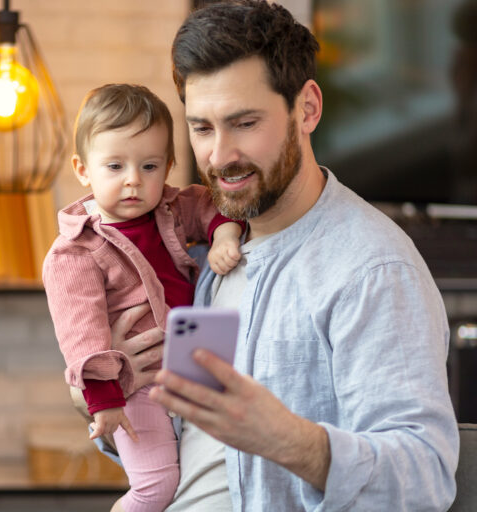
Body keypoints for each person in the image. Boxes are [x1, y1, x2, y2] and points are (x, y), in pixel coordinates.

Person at [104, 1, 460, 510]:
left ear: (307, 109)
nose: (220, 156)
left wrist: (287, 440)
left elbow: (424, 476)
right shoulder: (204, 254)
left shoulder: (371, 268)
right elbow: (196, 451)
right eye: (202, 128)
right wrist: (111, 397)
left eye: (244, 122)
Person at [42, 83, 244, 512]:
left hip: (186, 375)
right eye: (114, 166)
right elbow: (83, 335)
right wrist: (104, 401)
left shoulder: (169, 209)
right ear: (83, 169)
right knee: (155, 488)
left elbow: (210, 203)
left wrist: (224, 232)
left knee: (185, 474)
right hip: (132, 389)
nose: (134, 180)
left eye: (149, 166)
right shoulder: (74, 254)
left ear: (168, 166)